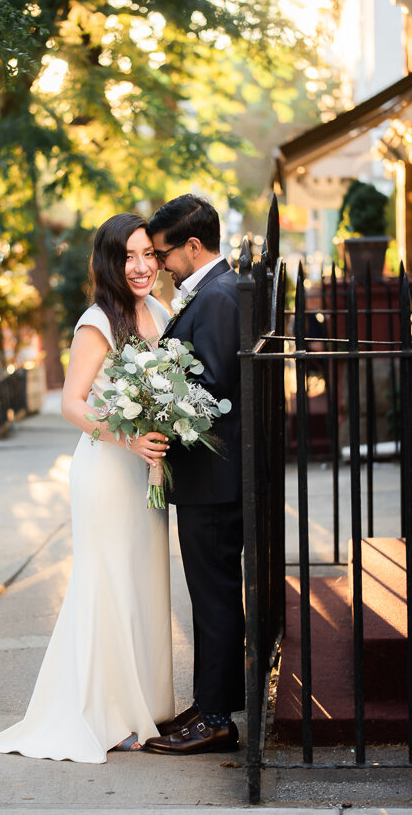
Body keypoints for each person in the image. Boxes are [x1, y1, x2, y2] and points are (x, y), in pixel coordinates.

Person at [0, 213, 174, 764]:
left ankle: (147, 703)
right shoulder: (98, 321)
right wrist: (128, 439)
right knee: (108, 583)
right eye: (128, 257)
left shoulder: (159, 310)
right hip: (107, 470)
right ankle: (108, 714)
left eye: (147, 255)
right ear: (109, 263)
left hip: (146, 470)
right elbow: (72, 403)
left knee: (143, 583)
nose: (140, 267)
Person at [143, 193, 244, 755]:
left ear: (193, 246)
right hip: (210, 477)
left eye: (163, 253)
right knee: (212, 597)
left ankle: (216, 720)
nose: (158, 263)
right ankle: (212, 701)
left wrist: (156, 402)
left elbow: (210, 392)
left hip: (214, 478)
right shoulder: (212, 291)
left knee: (214, 599)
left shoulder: (219, 297)